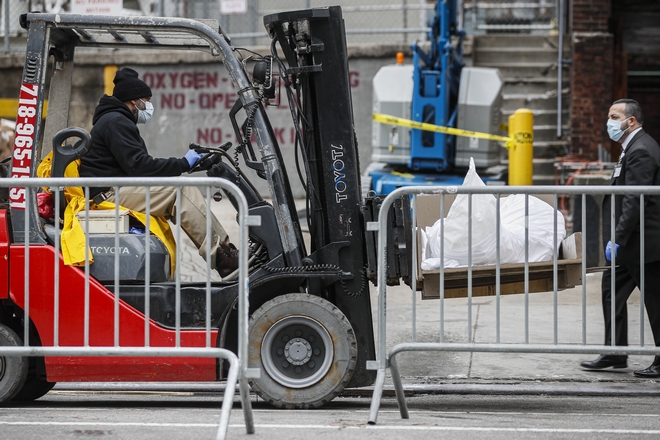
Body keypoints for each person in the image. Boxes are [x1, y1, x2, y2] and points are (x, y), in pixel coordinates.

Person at [79, 68, 238, 277]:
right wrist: (183, 163)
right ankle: (225, 259)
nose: (148, 105)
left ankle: (226, 252)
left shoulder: (116, 120)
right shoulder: (116, 122)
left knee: (177, 189)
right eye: (146, 100)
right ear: (134, 101)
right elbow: (140, 166)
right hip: (107, 194)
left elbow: (139, 166)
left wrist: (186, 164)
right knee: (179, 192)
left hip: (115, 189)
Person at [580, 99, 660, 378]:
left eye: (614, 117)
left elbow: (634, 200)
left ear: (631, 121)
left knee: (655, 301)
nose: (609, 123)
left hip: (643, 244)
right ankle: (615, 352)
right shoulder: (631, 149)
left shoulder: (642, 150)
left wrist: (619, 238)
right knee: (611, 292)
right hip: (631, 244)